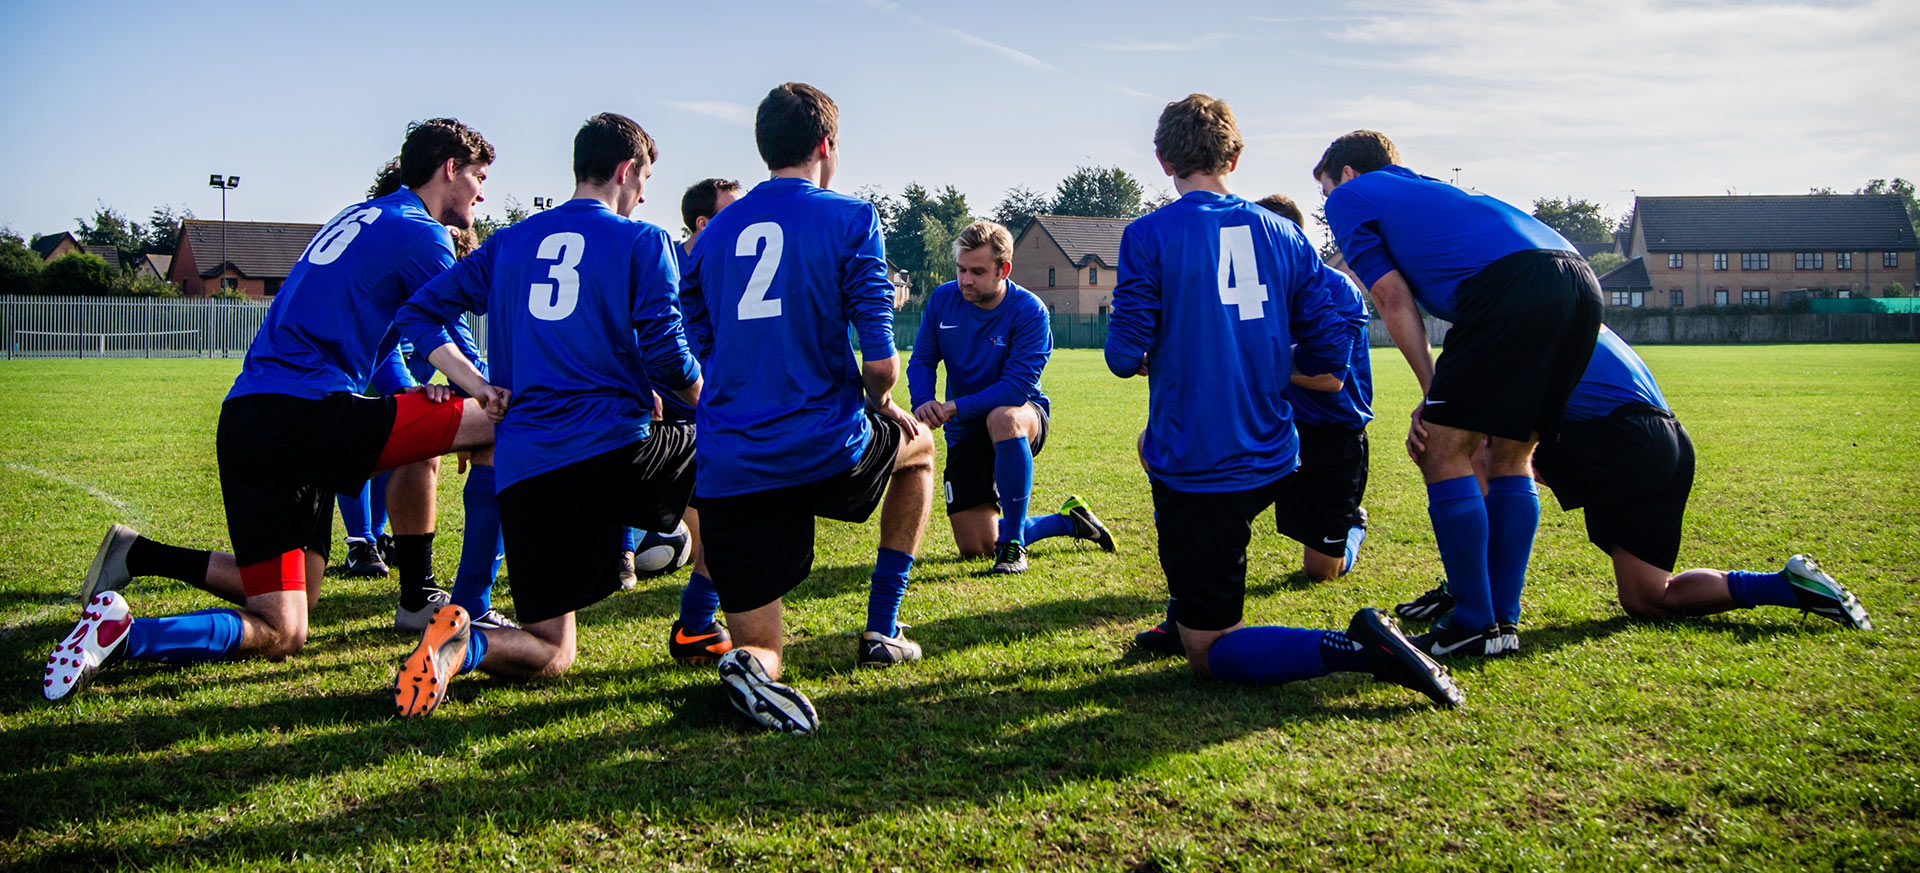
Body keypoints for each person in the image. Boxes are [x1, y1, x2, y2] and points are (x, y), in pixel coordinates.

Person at [47, 118, 500, 701]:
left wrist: (428, 399)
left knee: (286, 622)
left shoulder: (360, 218)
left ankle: (125, 627)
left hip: (250, 417)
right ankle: (444, 603)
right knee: (495, 422)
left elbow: (371, 341)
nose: (482, 193)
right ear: (449, 170)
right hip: (306, 415)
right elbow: (450, 329)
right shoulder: (423, 234)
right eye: (480, 178)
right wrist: (482, 394)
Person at [1103, 94, 1459, 708]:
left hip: (1202, 463)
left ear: (1162, 160)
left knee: (1209, 652)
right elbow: (1338, 322)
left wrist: (1162, 349)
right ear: (1234, 157)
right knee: (1161, 464)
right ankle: (1187, 601)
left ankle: (1354, 647)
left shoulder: (1148, 235)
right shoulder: (1283, 235)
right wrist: (1282, 360)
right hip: (1277, 451)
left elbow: (1121, 354)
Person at [388, 112, 701, 717]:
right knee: (729, 466)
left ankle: (462, 644)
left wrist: (477, 386)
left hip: (527, 469)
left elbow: (417, 315)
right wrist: (714, 403)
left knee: (552, 649)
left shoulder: (509, 242)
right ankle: (704, 622)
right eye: (646, 177)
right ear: (625, 169)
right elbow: (668, 355)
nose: (646, 193)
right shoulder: (643, 239)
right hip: (615, 451)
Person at [681, 82, 936, 733]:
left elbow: (695, 351)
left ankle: (749, 667)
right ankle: (882, 626)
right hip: (825, 448)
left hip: (733, 464)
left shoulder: (708, 238)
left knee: (763, 645)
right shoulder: (851, 218)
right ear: (827, 145)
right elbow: (881, 364)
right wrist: (881, 402)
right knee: (922, 450)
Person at [1317, 129, 1603, 658]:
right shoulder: (1427, 191)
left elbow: (1391, 297)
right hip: (1579, 280)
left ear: (1348, 175)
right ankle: (1500, 621)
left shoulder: (1354, 195)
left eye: (1326, 190)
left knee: (1441, 448)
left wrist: (1433, 390)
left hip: (1511, 286)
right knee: (1511, 455)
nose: (1328, 203)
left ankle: (1474, 619)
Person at [1394, 326, 1871, 639]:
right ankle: (1787, 587)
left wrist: (1431, 417)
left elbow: (1482, 423)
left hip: (1621, 436)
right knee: (1648, 597)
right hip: (1666, 443)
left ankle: (1471, 598)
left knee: (1474, 451)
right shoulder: (1558, 300)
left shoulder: (1509, 315)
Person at [1134, 192, 1373, 655]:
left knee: (1320, 571)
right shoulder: (1236, 283)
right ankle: (1181, 612)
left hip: (1330, 432)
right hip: (1266, 422)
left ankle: (1352, 527)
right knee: (1179, 486)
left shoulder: (1334, 288)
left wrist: (1242, 358)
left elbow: (1328, 378)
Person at [908, 219, 1115, 574]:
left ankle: (1014, 545)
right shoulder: (943, 299)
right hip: (964, 429)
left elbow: (1016, 388)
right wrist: (924, 400)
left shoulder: (1030, 311)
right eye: (961, 269)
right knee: (976, 546)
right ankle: (1068, 521)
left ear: (1004, 269)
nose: (965, 280)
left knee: (1002, 416)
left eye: (977, 271)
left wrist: (953, 406)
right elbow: (923, 359)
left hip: (1023, 417)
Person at [640, 177, 742, 665]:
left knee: (718, 503)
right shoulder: (660, 261)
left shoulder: (732, 266)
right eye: (731, 211)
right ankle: (625, 555)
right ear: (704, 222)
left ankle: (697, 619)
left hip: (713, 399)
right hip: (669, 399)